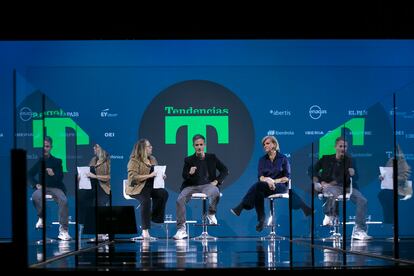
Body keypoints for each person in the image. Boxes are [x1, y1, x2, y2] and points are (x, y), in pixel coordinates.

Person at [312, 136, 372, 240]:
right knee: (331, 193)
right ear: (335, 147)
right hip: (331, 188)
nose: (343, 148)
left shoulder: (350, 161)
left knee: (362, 200)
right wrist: (317, 181)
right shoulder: (326, 159)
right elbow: (313, 170)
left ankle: (358, 231)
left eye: (345, 146)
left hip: (346, 187)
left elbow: (356, 177)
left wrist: (353, 173)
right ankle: (328, 215)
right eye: (340, 146)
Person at [173, 134, 229, 240]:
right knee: (180, 200)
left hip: (207, 185)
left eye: (201, 144)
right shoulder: (188, 160)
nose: (199, 147)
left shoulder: (212, 157)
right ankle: (181, 230)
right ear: (193, 146)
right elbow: (184, 176)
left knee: (216, 192)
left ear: (205, 145)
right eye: (196, 145)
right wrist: (189, 172)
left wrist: (217, 180)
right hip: (191, 186)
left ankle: (211, 213)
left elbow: (225, 170)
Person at [231, 135, 290, 232]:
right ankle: (261, 220)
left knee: (258, 186)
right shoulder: (262, 160)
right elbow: (261, 177)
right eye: (264, 144)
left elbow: (286, 177)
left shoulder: (283, 158)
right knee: (259, 192)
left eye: (267, 143)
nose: (265, 146)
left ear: (274, 144)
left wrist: (273, 181)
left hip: (280, 186)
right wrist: (268, 180)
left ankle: (243, 206)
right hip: (266, 186)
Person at [29, 136, 71, 241]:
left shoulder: (57, 161)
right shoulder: (40, 162)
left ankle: (63, 231)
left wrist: (53, 174)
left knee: (64, 200)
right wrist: (36, 185)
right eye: (43, 146)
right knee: (35, 196)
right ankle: (41, 217)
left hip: (55, 187)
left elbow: (60, 178)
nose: (45, 148)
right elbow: (28, 174)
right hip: (43, 188)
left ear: (50, 147)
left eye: (47, 146)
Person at [126, 139, 169, 240]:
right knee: (145, 200)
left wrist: (162, 176)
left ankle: (153, 219)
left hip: (151, 186)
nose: (151, 147)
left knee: (163, 193)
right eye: (149, 146)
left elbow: (156, 172)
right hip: (137, 187)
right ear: (142, 149)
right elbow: (133, 177)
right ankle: (145, 231)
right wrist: (149, 175)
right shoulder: (134, 160)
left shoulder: (152, 159)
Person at [78, 144, 111, 241]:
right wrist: (80, 177)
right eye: (94, 147)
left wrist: (95, 177)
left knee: (98, 202)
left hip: (104, 187)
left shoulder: (109, 161)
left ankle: (101, 232)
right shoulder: (93, 160)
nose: (94, 148)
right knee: (81, 198)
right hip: (92, 187)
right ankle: (83, 225)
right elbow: (88, 173)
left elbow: (110, 176)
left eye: (96, 147)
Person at [378, 145, 412, 224]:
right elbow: (385, 173)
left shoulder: (403, 162)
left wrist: (394, 177)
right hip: (390, 186)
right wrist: (381, 177)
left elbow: (405, 178)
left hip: (402, 187)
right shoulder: (391, 160)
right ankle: (388, 220)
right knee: (382, 195)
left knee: (388, 195)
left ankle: (391, 220)